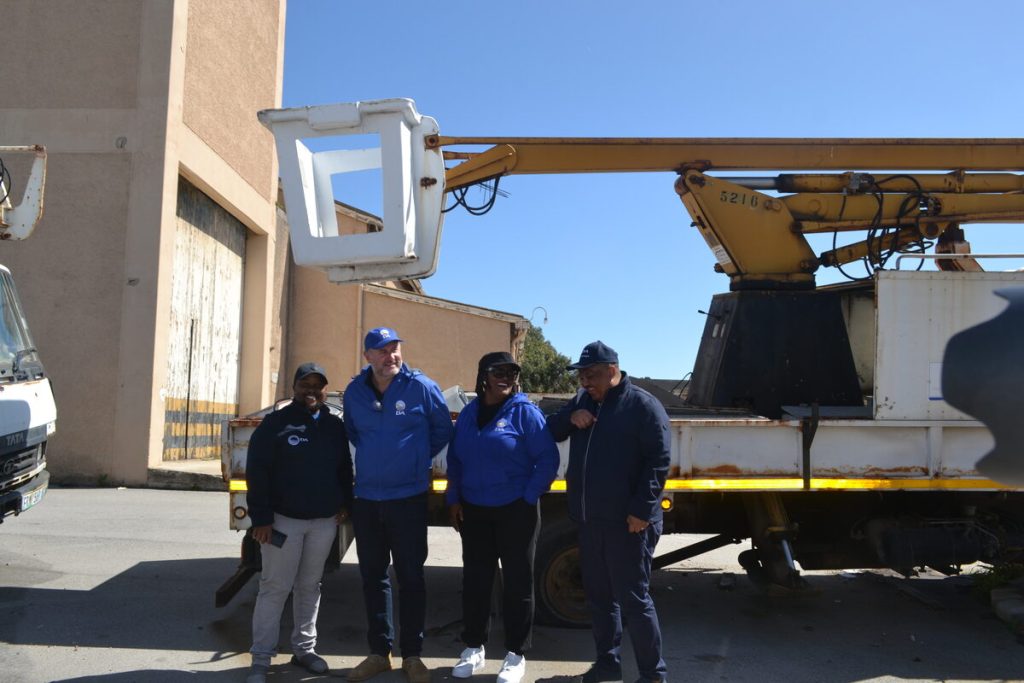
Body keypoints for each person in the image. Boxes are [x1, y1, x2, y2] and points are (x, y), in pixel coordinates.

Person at [547, 341, 671, 683]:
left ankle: (652, 674)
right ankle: (607, 663)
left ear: (612, 371)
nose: (585, 381)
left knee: (634, 599)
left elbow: (658, 462)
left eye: (592, 374)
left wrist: (642, 511)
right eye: (582, 375)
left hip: (628, 524)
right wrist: (571, 417)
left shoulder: (643, 406)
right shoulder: (583, 401)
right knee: (600, 599)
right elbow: (552, 430)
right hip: (590, 521)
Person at [344, 327, 454, 683]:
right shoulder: (354, 391)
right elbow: (353, 432)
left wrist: (415, 458)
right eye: (382, 351)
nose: (391, 356)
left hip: (407, 499)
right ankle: (379, 653)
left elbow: (442, 430)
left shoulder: (421, 387)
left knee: (411, 578)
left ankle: (413, 656)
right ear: (368, 357)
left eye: (395, 349)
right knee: (373, 578)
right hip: (366, 499)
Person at [446, 352, 560, 683]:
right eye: (499, 371)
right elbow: (455, 460)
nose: (506, 377)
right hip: (475, 510)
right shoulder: (468, 414)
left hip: (515, 510)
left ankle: (515, 654)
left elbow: (547, 459)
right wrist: (454, 499)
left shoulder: (525, 413)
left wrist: (528, 497)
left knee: (518, 583)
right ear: (483, 375)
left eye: (511, 372)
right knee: (476, 581)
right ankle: (474, 648)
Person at [245, 362, 353, 683]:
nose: (311, 391)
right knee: (275, 587)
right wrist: (261, 519)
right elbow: (257, 473)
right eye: (305, 384)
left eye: (317, 386)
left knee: (310, 586)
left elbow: (344, 468)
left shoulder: (333, 427)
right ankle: (261, 659)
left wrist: (346, 503)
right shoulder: (275, 424)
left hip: (323, 522)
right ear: (294, 388)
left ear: (324, 391)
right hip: (282, 522)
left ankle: (304, 649)